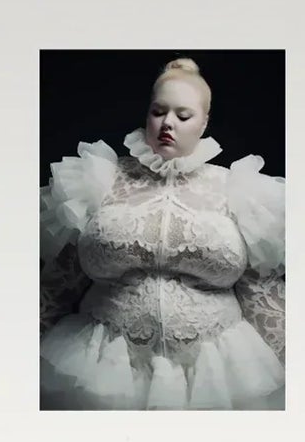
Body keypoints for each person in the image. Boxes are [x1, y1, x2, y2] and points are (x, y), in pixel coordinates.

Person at [40, 57, 286, 411]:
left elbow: (261, 292)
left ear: (204, 122)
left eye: (183, 115)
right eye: (158, 111)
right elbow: (60, 284)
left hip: (219, 373)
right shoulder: (98, 181)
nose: (167, 123)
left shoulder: (238, 191)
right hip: (100, 368)